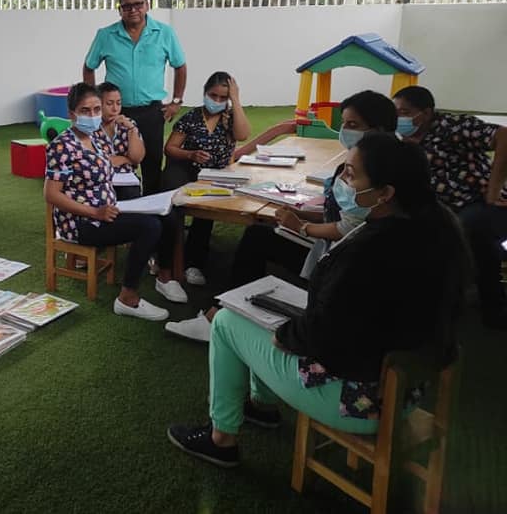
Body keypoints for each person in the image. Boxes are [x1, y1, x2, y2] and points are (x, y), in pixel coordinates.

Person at [166, 133, 467, 468]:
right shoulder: (439, 231)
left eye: (351, 174)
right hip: (406, 395)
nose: (341, 182)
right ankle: (260, 406)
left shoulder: (369, 251)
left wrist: (286, 335)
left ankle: (221, 440)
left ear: (385, 193)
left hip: (356, 401)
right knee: (266, 311)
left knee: (226, 321)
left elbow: (323, 335)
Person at [166, 90, 399, 343]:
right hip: (335, 252)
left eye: (353, 125)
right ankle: (226, 311)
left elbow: (349, 228)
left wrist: (301, 227)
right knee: (259, 234)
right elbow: (342, 214)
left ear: (378, 129)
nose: (344, 131)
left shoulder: (378, 169)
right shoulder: (378, 159)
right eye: (343, 123)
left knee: (258, 238)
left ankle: (219, 318)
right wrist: (298, 211)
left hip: (340, 262)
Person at [44, 83, 170, 321]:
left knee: (163, 217)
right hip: (81, 222)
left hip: (107, 211)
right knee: (150, 227)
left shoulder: (96, 139)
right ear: (71, 114)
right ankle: (127, 298)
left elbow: (130, 160)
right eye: (85, 110)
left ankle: (166, 276)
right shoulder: (62, 146)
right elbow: (52, 195)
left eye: (96, 110)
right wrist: (95, 212)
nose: (92, 116)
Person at [394, 85, 507, 329]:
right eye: (397, 113)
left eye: (405, 112)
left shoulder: (452, 126)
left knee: (471, 231)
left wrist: (494, 189)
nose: (400, 119)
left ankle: (492, 305)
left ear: (426, 113)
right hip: (439, 206)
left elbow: (504, 136)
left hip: (477, 201)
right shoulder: (405, 140)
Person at [83, 0, 186, 196]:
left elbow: (180, 66)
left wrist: (176, 101)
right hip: (116, 113)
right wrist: (95, 103)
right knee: (113, 163)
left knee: (152, 164)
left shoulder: (164, 33)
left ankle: (152, 210)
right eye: (126, 6)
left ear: (147, 5)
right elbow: (89, 67)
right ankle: (116, 207)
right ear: (119, 9)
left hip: (152, 112)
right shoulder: (106, 35)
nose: (133, 10)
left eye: (138, 4)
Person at [159, 72, 251, 287]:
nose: (217, 101)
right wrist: (190, 154)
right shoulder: (191, 118)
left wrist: (236, 100)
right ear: (205, 93)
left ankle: (194, 262)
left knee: (206, 209)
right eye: (213, 95)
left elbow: (243, 135)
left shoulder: (231, 118)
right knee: (172, 201)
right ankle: (165, 255)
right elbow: (170, 148)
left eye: (223, 97)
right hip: (187, 168)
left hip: (215, 174)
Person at [97, 81, 145, 200]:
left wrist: (132, 130)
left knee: (130, 194)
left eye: (118, 103)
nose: (115, 109)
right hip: (100, 178)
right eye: (109, 104)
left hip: (127, 179)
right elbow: (95, 160)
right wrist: (125, 159)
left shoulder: (128, 124)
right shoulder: (91, 126)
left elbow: (137, 159)